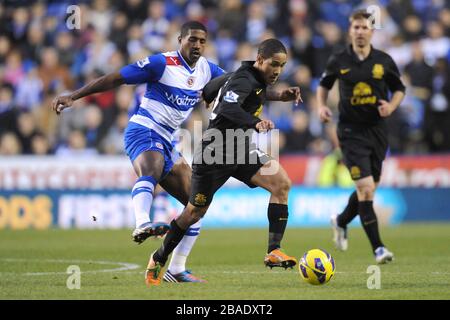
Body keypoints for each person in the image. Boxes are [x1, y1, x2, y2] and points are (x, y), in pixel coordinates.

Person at [52, 21, 300, 283]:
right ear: (180, 39)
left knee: (201, 210)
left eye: (203, 41)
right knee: (155, 170)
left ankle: (180, 268)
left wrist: (276, 95)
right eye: (192, 39)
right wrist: (75, 96)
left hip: (201, 143)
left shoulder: (208, 69)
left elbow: (239, 87)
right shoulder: (161, 64)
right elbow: (116, 77)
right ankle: (142, 224)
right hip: (150, 130)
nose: (198, 45)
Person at [144, 38, 302, 286]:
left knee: (281, 184)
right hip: (214, 154)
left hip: (240, 150)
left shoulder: (245, 77)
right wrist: (254, 122)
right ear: (260, 60)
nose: (278, 71)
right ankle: (159, 258)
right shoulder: (243, 79)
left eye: (282, 66)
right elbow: (229, 106)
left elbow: (214, 88)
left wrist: (281, 95)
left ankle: (274, 251)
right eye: (274, 64)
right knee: (194, 212)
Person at [316, 10, 406, 264]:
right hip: (349, 131)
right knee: (365, 189)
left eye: (364, 27)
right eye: (355, 27)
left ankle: (341, 220)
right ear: (350, 30)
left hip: (377, 130)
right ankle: (378, 248)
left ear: (371, 30)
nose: (359, 31)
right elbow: (323, 85)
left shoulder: (384, 60)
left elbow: (399, 88)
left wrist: (391, 106)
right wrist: (321, 106)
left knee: (369, 189)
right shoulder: (339, 59)